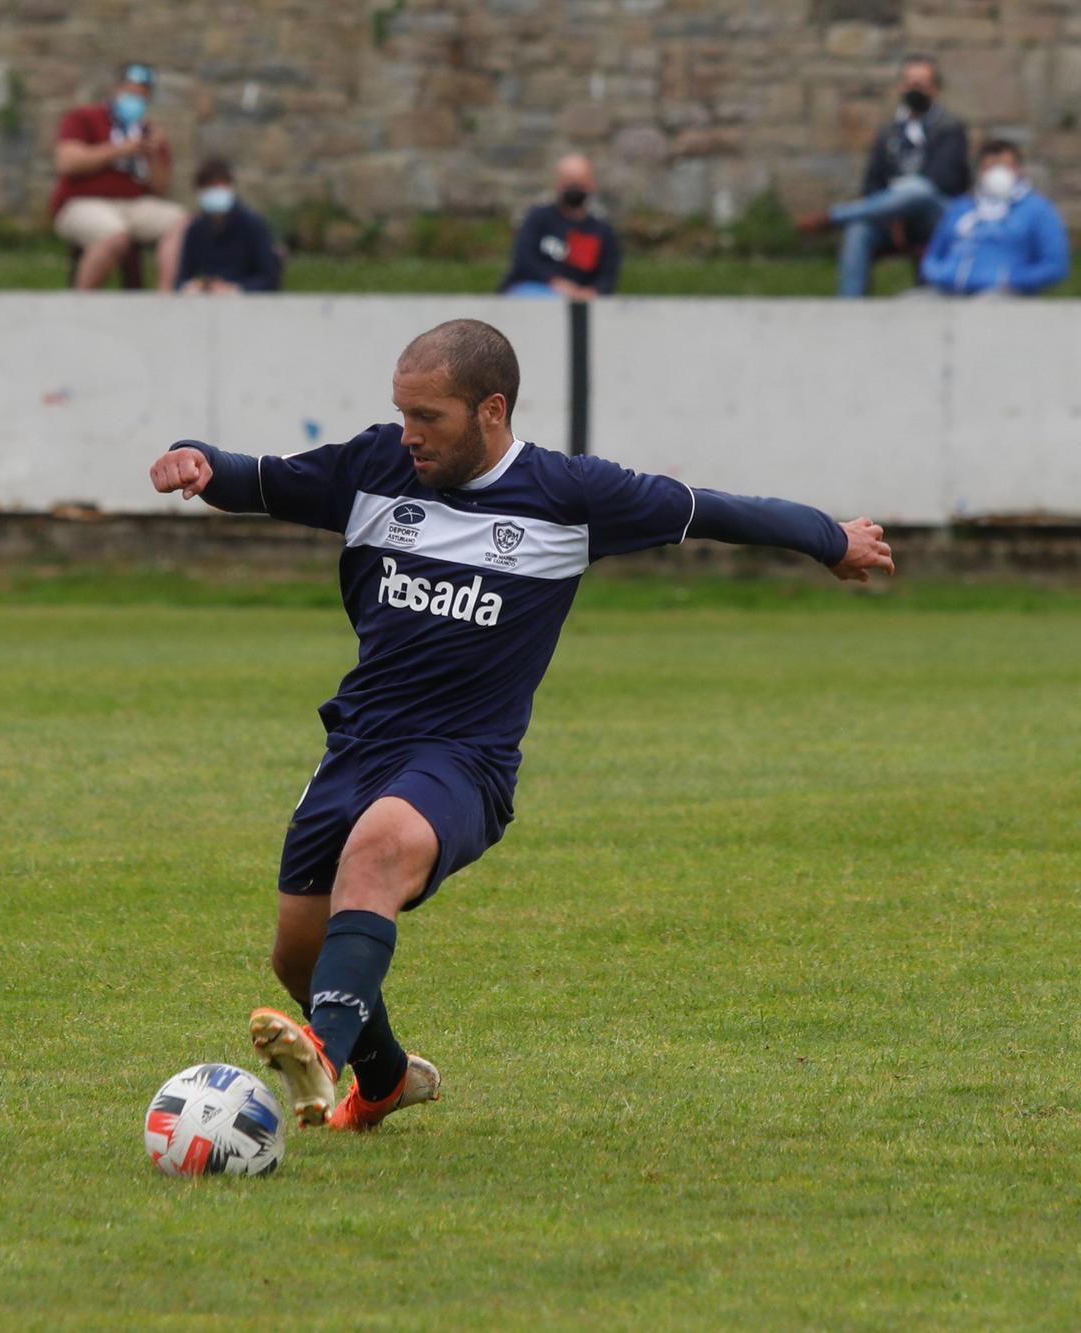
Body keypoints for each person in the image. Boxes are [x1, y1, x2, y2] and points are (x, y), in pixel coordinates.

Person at [146, 319, 893, 1132]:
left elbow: (713, 509)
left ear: (491, 409)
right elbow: (257, 479)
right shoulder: (373, 468)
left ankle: (321, 1054)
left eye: (429, 417)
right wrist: (197, 459)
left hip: (465, 759)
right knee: (299, 953)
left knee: (379, 849)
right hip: (357, 744)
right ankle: (387, 1076)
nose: (410, 434)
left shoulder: (571, 495)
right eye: (403, 413)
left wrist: (833, 540)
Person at [802, 55, 970, 298]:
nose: (916, 90)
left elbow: (943, 182)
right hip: (891, 218)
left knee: (918, 190)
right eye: (911, 83)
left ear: (935, 89)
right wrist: (892, 214)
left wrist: (900, 205)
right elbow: (872, 183)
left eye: (922, 84)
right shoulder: (889, 132)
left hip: (937, 216)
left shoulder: (950, 129)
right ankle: (851, 310)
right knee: (858, 230)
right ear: (901, 87)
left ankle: (836, 216)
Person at [50, 61, 189, 291]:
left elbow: (161, 189)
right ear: (116, 89)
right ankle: (79, 303)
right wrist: (121, 149)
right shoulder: (84, 118)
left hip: (133, 205)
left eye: (142, 96)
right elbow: (68, 162)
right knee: (114, 236)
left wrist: (153, 155)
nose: (136, 100)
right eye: (130, 92)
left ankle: (166, 299)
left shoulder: (149, 132)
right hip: (83, 203)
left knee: (184, 224)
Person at [918, 139, 1071, 296]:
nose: (997, 174)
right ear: (979, 172)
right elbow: (932, 257)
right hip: (947, 289)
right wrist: (940, 275)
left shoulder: (1038, 210)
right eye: (989, 168)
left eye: (1004, 167)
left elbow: (1055, 265)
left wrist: (1010, 279)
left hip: (1004, 294)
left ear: (1019, 170)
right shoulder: (961, 207)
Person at [498, 154, 621, 299]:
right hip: (533, 293)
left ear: (591, 184)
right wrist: (556, 283)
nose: (574, 187)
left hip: (581, 301)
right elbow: (525, 259)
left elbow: (607, 276)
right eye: (569, 181)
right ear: (559, 183)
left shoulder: (602, 232)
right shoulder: (539, 218)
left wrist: (590, 292)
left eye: (580, 181)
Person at [176, 158, 283, 294]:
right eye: (210, 187)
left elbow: (270, 280)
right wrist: (194, 287)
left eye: (220, 186)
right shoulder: (196, 230)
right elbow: (181, 279)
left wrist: (236, 289)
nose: (215, 192)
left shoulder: (254, 225)